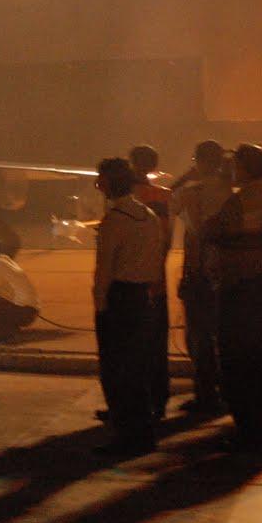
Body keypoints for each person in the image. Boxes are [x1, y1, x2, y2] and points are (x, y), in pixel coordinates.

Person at [203, 143, 262, 450]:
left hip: (238, 287)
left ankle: (249, 427)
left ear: (246, 168)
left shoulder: (240, 202)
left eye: (236, 165)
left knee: (236, 358)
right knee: (256, 356)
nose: (231, 170)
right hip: (261, 285)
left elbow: (213, 231)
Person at [93, 157, 165, 456]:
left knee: (116, 369)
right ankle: (142, 430)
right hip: (142, 297)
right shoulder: (148, 216)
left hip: (119, 298)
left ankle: (126, 435)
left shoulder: (115, 220)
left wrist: (100, 305)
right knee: (137, 366)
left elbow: (104, 269)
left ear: (108, 184)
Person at [170, 140, 232, 413]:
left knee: (200, 335)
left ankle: (206, 394)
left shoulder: (191, 192)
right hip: (228, 270)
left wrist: (185, 177)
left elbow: (167, 202)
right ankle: (228, 391)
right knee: (225, 334)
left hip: (199, 271)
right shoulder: (232, 192)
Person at [130, 145, 173, 419]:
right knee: (156, 343)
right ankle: (157, 400)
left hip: (135, 281)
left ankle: (139, 403)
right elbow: (166, 240)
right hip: (155, 278)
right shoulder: (162, 196)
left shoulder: (133, 200)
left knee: (136, 344)